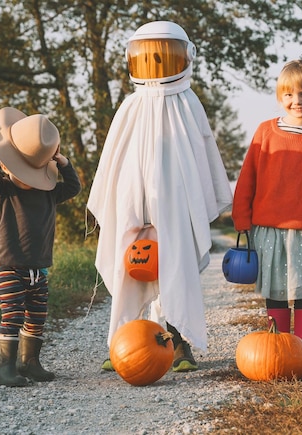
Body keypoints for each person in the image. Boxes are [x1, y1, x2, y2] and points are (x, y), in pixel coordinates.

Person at [87, 21, 233, 372]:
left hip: (175, 204)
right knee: (127, 268)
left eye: (163, 54)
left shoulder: (187, 103)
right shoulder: (131, 106)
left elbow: (200, 155)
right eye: (148, 55)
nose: (155, 61)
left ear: (184, 57)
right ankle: (123, 345)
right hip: (131, 201)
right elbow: (114, 159)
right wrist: (110, 200)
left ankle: (179, 344)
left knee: (177, 268)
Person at [231, 46, 302, 340]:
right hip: (269, 229)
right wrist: (241, 216)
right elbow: (248, 178)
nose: (297, 101)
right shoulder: (265, 132)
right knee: (277, 290)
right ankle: (280, 343)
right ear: (280, 97)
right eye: (289, 95)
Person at [0, 107, 81, 386]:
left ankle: (29, 362)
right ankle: (3, 368)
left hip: (39, 269)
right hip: (9, 266)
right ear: (4, 166)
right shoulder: (2, 191)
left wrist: (64, 163)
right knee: (12, 316)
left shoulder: (49, 193)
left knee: (36, 317)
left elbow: (74, 188)